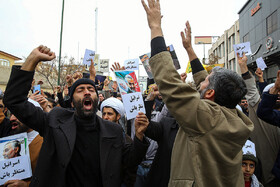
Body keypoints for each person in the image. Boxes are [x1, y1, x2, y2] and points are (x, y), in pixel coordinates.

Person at [141, 1, 253, 186]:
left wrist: (155, 27)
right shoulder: (235, 118)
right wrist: (190, 50)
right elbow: (204, 83)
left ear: (210, 94)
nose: (200, 83)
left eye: (206, 81)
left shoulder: (207, 118)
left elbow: (169, 82)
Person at [3, 45, 149, 187]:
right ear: (72, 102)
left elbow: (129, 162)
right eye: (80, 90)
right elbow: (14, 100)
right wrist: (32, 60)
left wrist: (139, 136)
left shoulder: (113, 130)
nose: (86, 92)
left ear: (97, 98)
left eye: (90, 89)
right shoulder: (55, 121)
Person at [238, 53, 280, 186]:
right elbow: (251, 92)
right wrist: (244, 67)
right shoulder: (261, 115)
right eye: (275, 92)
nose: (278, 95)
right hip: (267, 179)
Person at [3, 113, 43, 187]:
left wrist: (27, 185)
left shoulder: (46, 142)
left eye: (16, 113)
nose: (11, 118)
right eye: (11, 114)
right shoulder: (8, 142)